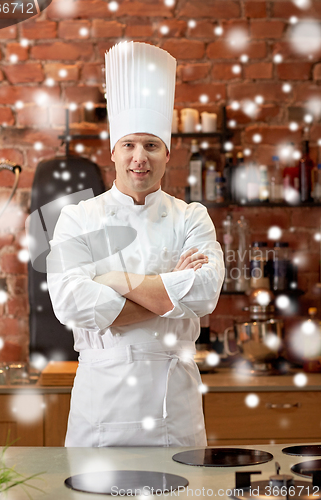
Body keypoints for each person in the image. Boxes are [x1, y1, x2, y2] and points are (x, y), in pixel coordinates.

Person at [47, 41, 225, 447]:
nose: (138, 157)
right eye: (128, 144)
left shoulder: (191, 216)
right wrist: (166, 289)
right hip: (100, 415)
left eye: (150, 145)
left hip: (174, 416)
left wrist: (114, 279)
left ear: (167, 152)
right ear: (113, 151)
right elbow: (70, 303)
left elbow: (203, 294)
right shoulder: (78, 218)